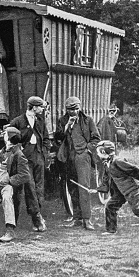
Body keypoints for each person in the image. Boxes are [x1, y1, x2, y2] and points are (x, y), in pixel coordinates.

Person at [54, 96, 100, 230]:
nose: (73, 112)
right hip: (69, 158)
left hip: (83, 157)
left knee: (84, 187)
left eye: (75, 109)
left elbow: (96, 138)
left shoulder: (87, 120)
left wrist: (88, 150)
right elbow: (58, 138)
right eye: (70, 110)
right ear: (66, 109)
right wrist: (67, 126)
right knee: (72, 187)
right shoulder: (62, 120)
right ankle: (77, 218)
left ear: (79, 108)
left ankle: (87, 219)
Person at [10, 96, 50, 231]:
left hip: (38, 157)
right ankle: (37, 217)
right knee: (30, 186)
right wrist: (18, 147)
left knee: (39, 187)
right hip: (25, 159)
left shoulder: (40, 121)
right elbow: (9, 136)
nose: (42, 109)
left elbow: (46, 138)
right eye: (40, 107)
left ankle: (37, 218)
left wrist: (44, 152)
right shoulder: (18, 121)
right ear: (34, 107)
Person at [92, 140, 139, 234]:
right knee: (110, 206)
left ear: (103, 152)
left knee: (138, 210)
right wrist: (97, 190)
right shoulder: (106, 164)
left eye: (98, 152)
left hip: (130, 190)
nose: (97, 155)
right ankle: (111, 230)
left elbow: (135, 170)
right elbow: (105, 182)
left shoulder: (118, 161)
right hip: (119, 192)